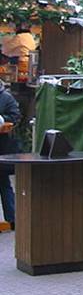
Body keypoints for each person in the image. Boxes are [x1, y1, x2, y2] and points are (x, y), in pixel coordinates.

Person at [0, 81, 21, 228]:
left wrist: (2, 119)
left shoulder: (6, 98)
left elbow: (15, 116)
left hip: (2, 147)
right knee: (4, 183)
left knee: (3, 183)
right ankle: (12, 218)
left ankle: (12, 218)